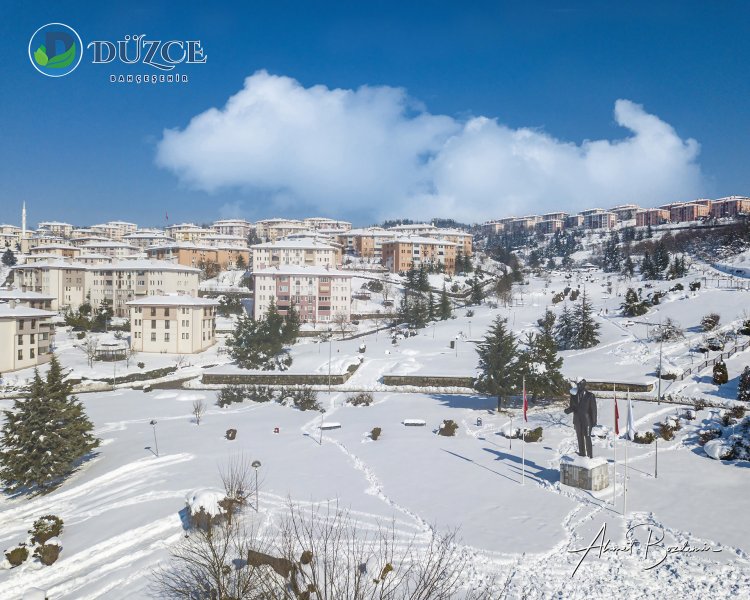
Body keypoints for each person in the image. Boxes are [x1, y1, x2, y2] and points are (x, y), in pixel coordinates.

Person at [564, 379, 598, 458]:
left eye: (579, 384)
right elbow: (573, 407)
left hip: (587, 420)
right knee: (579, 438)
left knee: (587, 437)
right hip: (577, 420)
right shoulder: (574, 395)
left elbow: (593, 409)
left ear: (584, 385)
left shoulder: (590, 395)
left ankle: (590, 456)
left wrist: (594, 421)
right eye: (577, 384)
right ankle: (582, 455)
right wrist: (568, 410)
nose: (578, 386)